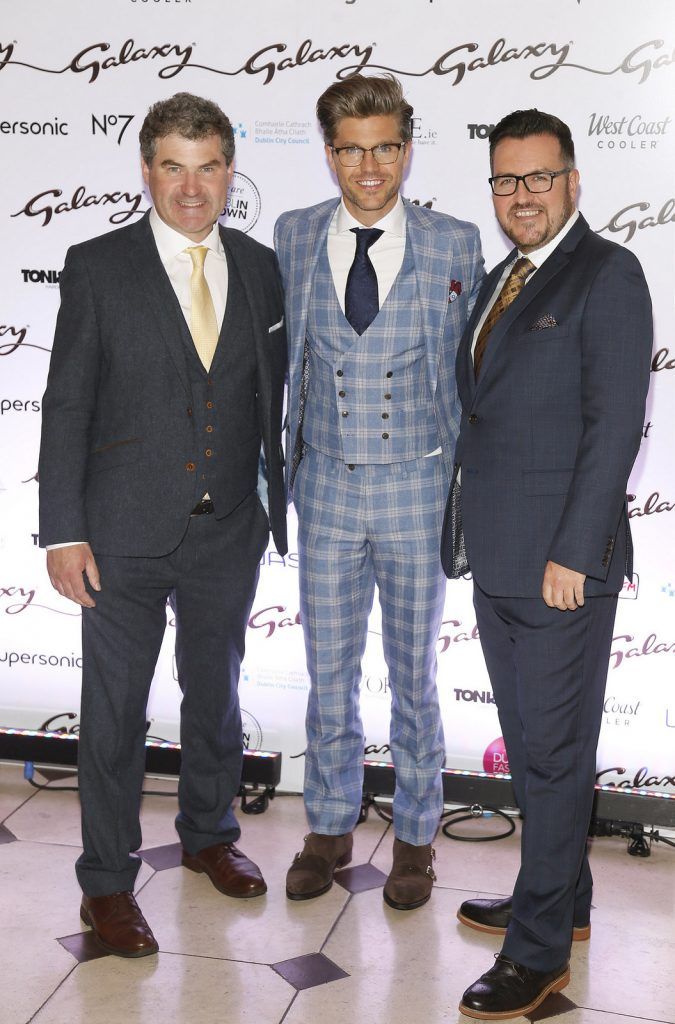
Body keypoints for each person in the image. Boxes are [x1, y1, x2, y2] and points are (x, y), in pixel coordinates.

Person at [38, 92, 287, 958]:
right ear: (146, 172)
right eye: (173, 166)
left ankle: (209, 835)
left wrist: (271, 507)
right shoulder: (96, 264)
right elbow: (66, 400)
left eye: (208, 165)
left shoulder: (259, 266)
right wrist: (61, 530)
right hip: (118, 536)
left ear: (229, 172)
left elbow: (268, 395)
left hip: (228, 532)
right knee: (111, 716)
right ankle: (106, 883)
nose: (192, 186)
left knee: (215, 698)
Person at [441, 109, 652, 1018]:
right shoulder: (499, 279)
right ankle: (561, 900)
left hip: (561, 566)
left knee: (556, 757)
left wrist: (573, 549)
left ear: (572, 181)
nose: (519, 196)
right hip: (497, 559)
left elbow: (616, 425)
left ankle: (537, 959)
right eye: (504, 180)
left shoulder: (608, 272)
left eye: (537, 178)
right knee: (532, 754)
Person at [274, 74, 484, 910]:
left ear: (406, 147)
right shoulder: (290, 237)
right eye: (352, 149)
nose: (369, 167)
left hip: (419, 486)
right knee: (327, 674)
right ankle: (327, 823)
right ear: (330, 154)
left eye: (385, 147)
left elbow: (471, 375)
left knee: (413, 676)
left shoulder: (454, 242)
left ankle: (416, 836)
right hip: (321, 484)